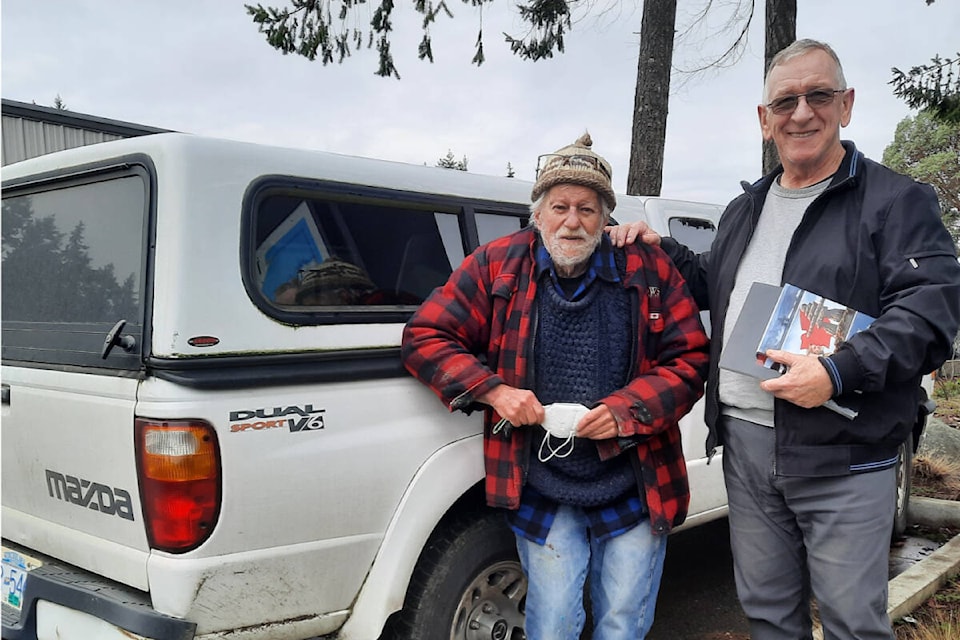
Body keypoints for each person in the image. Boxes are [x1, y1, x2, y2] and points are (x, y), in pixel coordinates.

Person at [610, 39, 960, 639]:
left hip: (844, 451)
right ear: (764, 119)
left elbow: (931, 312)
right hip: (746, 447)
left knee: (852, 622)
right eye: (785, 101)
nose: (801, 112)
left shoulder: (895, 200)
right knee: (768, 613)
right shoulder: (746, 207)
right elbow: (715, 286)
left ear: (846, 105)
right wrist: (659, 249)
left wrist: (838, 371)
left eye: (818, 95)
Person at [401, 133, 710, 639]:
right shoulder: (498, 263)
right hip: (541, 480)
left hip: (634, 476)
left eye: (587, 208)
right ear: (538, 214)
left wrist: (626, 411)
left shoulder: (648, 268)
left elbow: (691, 356)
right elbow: (426, 335)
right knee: (554, 623)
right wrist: (494, 392)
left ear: (605, 215)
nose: (572, 221)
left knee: (623, 622)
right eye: (560, 206)